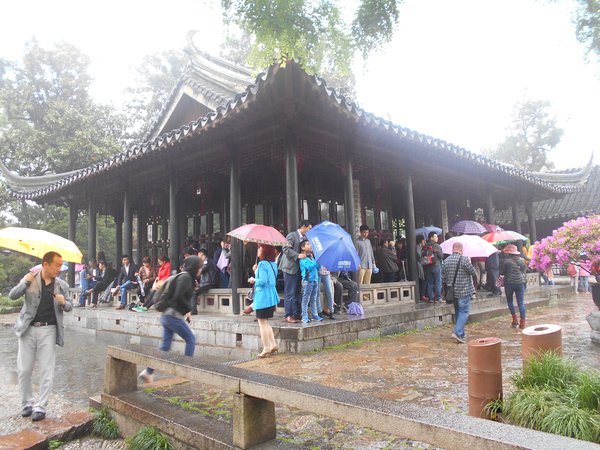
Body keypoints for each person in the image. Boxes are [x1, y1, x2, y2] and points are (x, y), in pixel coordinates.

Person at [10, 251, 73, 421]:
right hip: (28, 329)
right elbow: (12, 295)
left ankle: (41, 406)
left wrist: (63, 303)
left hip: (48, 330)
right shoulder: (30, 279)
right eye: (56, 265)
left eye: (60, 266)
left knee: (47, 369)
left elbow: (69, 306)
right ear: (45, 264)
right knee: (24, 369)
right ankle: (26, 403)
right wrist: (25, 283)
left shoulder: (62, 285)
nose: (59, 269)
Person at [138, 255, 200, 384]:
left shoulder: (184, 277)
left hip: (166, 315)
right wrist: (188, 309)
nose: (200, 269)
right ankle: (186, 371)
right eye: (199, 267)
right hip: (173, 316)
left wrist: (187, 312)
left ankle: (148, 372)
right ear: (194, 266)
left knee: (165, 346)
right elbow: (178, 296)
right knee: (191, 339)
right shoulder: (186, 278)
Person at [248, 245, 279, 358]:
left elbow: (263, 281)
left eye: (260, 249)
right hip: (271, 296)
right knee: (265, 322)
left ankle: (266, 347)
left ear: (264, 251)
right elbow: (269, 279)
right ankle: (273, 344)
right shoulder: (273, 264)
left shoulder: (262, 264)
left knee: (262, 322)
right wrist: (256, 271)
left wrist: (254, 279)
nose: (258, 250)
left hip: (263, 296)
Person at [442, 242, 476, 343]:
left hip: (452, 292)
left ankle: (461, 333)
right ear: (461, 250)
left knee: (458, 312)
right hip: (464, 291)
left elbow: (443, 276)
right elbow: (473, 272)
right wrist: (469, 261)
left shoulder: (446, 260)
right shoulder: (464, 259)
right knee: (464, 312)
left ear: (453, 249)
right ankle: (457, 332)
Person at [281, 220, 312, 323]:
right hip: (290, 268)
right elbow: (285, 248)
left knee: (298, 292)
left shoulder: (305, 238)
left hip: (299, 268)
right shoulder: (292, 235)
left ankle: (297, 313)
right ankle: (288, 314)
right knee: (290, 292)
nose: (309, 230)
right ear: (303, 226)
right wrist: (297, 255)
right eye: (309, 228)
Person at [500, 244, 528, 329]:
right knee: (521, 303)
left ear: (509, 253)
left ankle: (514, 319)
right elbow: (523, 271)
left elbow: (502, 272)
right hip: (520, 283)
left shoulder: (506, 262)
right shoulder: (522, 261)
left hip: (509, 283)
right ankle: (522, 322)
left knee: (510, 301)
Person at [298, 240, 323, 323]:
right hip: (307, 281)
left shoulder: (312, 258)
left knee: (313, 298)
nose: (310, 246)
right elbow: (309, 267)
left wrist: (319, 262)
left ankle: (315, 314)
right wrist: (317, 261)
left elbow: (317, 268)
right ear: (303, 247)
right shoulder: (303, 259)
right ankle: (304, 316)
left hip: (315, 280)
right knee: (306, 299)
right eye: (308, 244)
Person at [424, 232, 444, 302]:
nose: (437, 238)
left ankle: (431, 298)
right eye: (435, 237)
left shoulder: (426, 245)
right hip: (436, 265)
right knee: (438, 282)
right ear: (431, 238)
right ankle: (438, 297)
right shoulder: (436, 245)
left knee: (430, 282)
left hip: (428, 266)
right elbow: (441, 256)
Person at [416, 235, 427, 300]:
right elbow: (419, 255)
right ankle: (422, 295)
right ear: (421, 240)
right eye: (423, 240)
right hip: (418, 265)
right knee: (422, 280)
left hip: (419, 264)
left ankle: (422, 295)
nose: (424, 242)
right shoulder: (418, 247)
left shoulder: (419, 247)